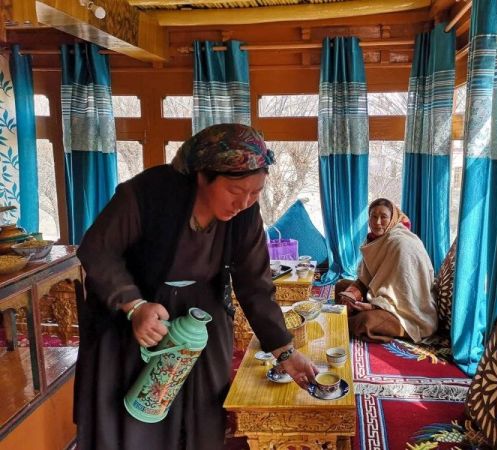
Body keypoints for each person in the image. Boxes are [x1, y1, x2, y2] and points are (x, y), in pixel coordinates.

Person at [74, 123, 318, 450]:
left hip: (203, 317)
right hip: (143, 317)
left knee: (202, 417)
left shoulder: (246, 213)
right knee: (137, 418)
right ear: (203, 176)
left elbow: (255, 284)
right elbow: (97, 249)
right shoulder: (147, 194)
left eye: (255, 192)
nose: (244, 202)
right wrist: (133, 305)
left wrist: (285, 351)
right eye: (235, 191)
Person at [335, 198, 437, 343]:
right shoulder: (374, 239)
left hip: (407, 312)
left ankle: (339, 322)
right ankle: (349, 314)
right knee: (341, 286)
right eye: (373, 216)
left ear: (392, 219)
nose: (377, 222)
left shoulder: (402, 244)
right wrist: (352, 293)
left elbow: (404, 294)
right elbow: (367, 279)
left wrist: (373, 306)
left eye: (383, 217)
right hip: (381, 295)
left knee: (365, 321)